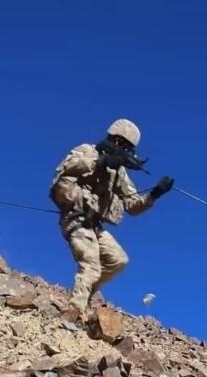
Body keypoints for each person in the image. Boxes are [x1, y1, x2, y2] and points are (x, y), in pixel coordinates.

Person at [49, 118, 174, 317]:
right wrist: (100, 161)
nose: (125, 150)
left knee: (118, 260)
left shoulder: (119, 173)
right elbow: (67, 168)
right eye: (123, 146)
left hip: (94, 223)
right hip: (75, 216)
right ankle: (74, 311)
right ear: (115, 140)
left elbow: (132, 206)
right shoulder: (88, 150)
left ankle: (86, 295)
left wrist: (155, 194)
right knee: (91, 265)